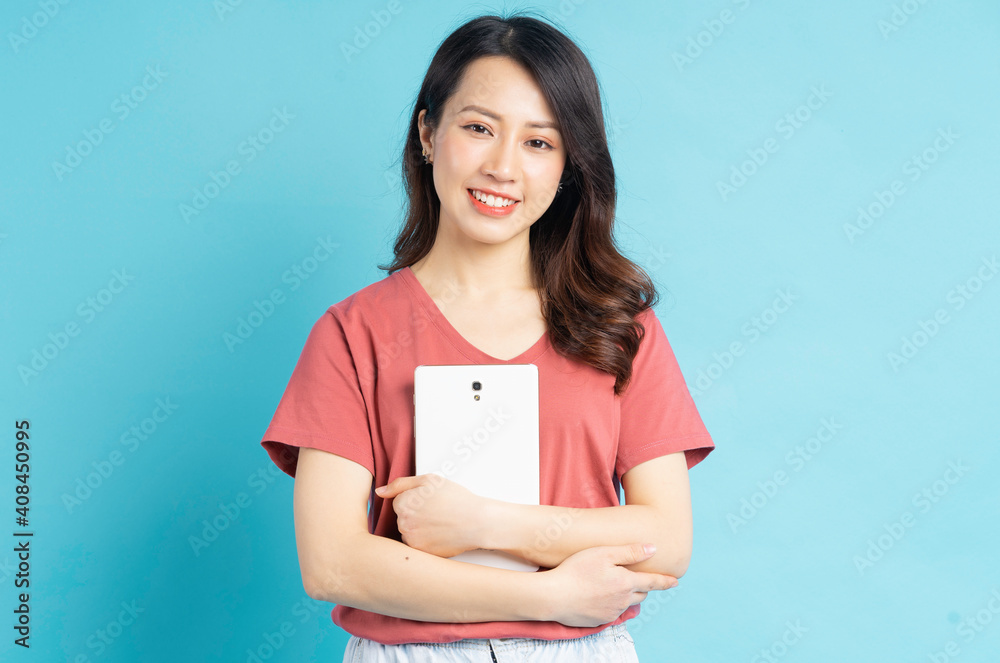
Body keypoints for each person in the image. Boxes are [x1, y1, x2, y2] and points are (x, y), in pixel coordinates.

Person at [260, 12, 715, 662]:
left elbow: (665, 537)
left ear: (568, 164)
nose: (503, 166)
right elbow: (332, 563)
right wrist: (550, 597)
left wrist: (484, 523)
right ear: (427, 133)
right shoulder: (352, 333)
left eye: (539, 142)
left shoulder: (620, 325)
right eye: (479, 128)